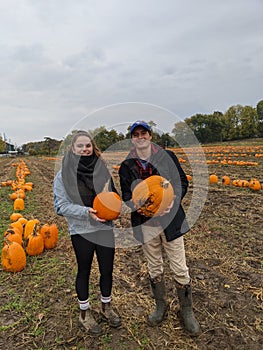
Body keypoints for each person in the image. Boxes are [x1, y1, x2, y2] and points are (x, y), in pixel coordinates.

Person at [118, 121, 201, 336]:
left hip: (170, 221)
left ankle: (186, 311)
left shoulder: (167, 156)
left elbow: (182, 181)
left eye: (143, 133)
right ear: (132, 138)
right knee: (154, 266)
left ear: (150, 135)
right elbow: (126, 195)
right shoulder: (127, 165)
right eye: (135, 134)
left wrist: (173, 202)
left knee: (179, 266)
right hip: (145, 224)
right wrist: (137, 205)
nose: (140, 137)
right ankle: (160, 306)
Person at [53, 130, 121, 335]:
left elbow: (113, 195)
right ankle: (84, 313)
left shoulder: (102, 170)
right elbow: (60, 206)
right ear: (72, 149)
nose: (84, 149)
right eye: (80, 146)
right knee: (84, 270)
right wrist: (86, 213)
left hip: (104, 227)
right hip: (82, 229)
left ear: (93, 147)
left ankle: (106, 307)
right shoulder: (63, 175)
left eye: (88, 145)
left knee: (107, 269)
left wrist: (115, 208)